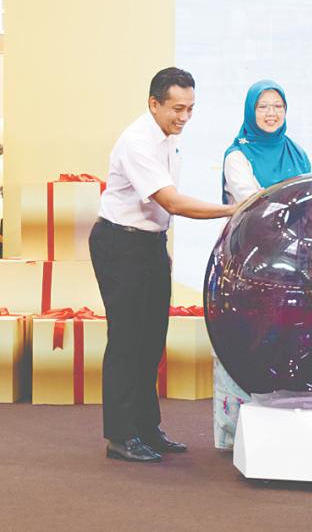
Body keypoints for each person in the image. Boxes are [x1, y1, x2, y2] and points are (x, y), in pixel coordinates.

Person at [90, 66, 238, 463]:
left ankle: (146, 429)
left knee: (151, 339)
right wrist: (233, 210)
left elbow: (161, 210)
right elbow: (171, 201)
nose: (184, 117)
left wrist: (159, 244)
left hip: (148, 244)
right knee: (126, 340)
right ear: (153, 104)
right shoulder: (137, 142)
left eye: (190, 109)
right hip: (119, 244)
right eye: (177, 109)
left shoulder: (167, 138)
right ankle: (121, 436)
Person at [214, 78, 311, 450]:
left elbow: (309, 203)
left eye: (277, 107)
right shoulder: (237, 155)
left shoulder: (296, 153)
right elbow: (256, 205)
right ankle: (234, 434)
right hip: (249, 267)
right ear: (250, 112)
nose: (271, 114)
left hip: (293, 266)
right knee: (243, 342)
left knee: (287, 342)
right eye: (263, 107)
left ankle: (281, 430)